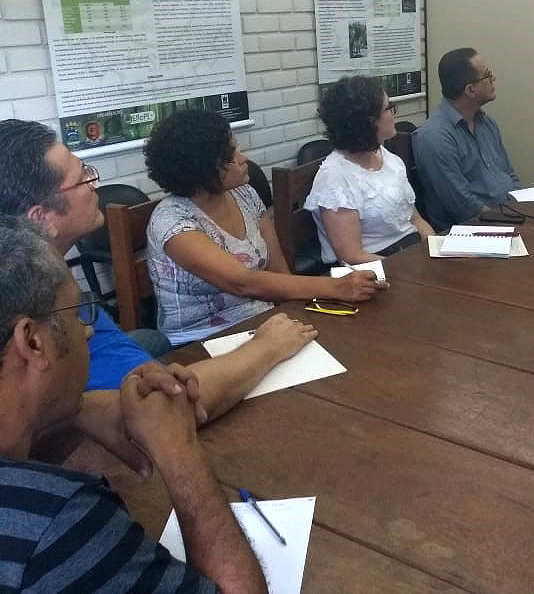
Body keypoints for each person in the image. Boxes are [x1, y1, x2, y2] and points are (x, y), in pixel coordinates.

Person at [0, 217, 268, 593]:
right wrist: (181, 455)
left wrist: (76, 412)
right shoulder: (57, 522)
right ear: (32, 342)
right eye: (76, 313)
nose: (87, 330)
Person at [0, 119, 316, 430]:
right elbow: (162, 409)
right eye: (83, 178)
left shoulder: (62, 291)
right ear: (41, 218)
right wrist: (266, 347)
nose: (95, 183)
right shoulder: (42, 306)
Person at [144, 109, 382, 344]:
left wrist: (300, 316)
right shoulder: (172, 221)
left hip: (262, 322)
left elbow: (280, 274)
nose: (243, 158)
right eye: (231, 155)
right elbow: (242, 282)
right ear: (202, 168)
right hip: (199, 341)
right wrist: (337, 287)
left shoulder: (245, 194)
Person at [304, 76, 434, 265]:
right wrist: (410, 267)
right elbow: (352, 256)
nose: (394, 113)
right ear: (368, 122)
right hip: (376, 266)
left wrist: (436, 250)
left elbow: (415, 219)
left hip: (410, 252)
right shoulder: (334, 178)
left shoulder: (387, 157)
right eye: (389, 108)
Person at [413, 48, 520, 231]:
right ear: (470, 90)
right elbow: (463, 207)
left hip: (508, 218)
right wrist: (508, 225)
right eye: (488, 75)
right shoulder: (435, 137)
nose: (493, 79)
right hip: (471, 231)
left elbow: (510, 175)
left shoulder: (487, 124)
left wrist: (523, 211)